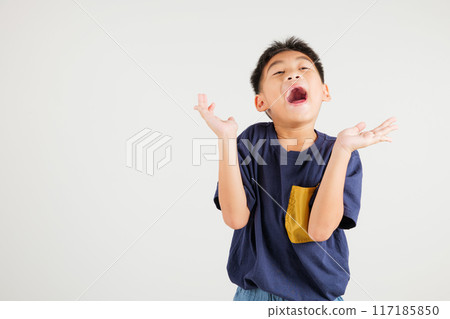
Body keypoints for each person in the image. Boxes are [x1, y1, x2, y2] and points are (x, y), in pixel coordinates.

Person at [193, 36, 398, 301]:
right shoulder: (251, 141)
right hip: (256, 295)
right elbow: (235, 218)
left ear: (324, 91)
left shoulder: (341, 153)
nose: (292, 76)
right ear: (261, 103)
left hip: (320, 300)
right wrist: (227, 140)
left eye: (304, 69)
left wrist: (343, 150)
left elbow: (319, 231)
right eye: (279, 72)